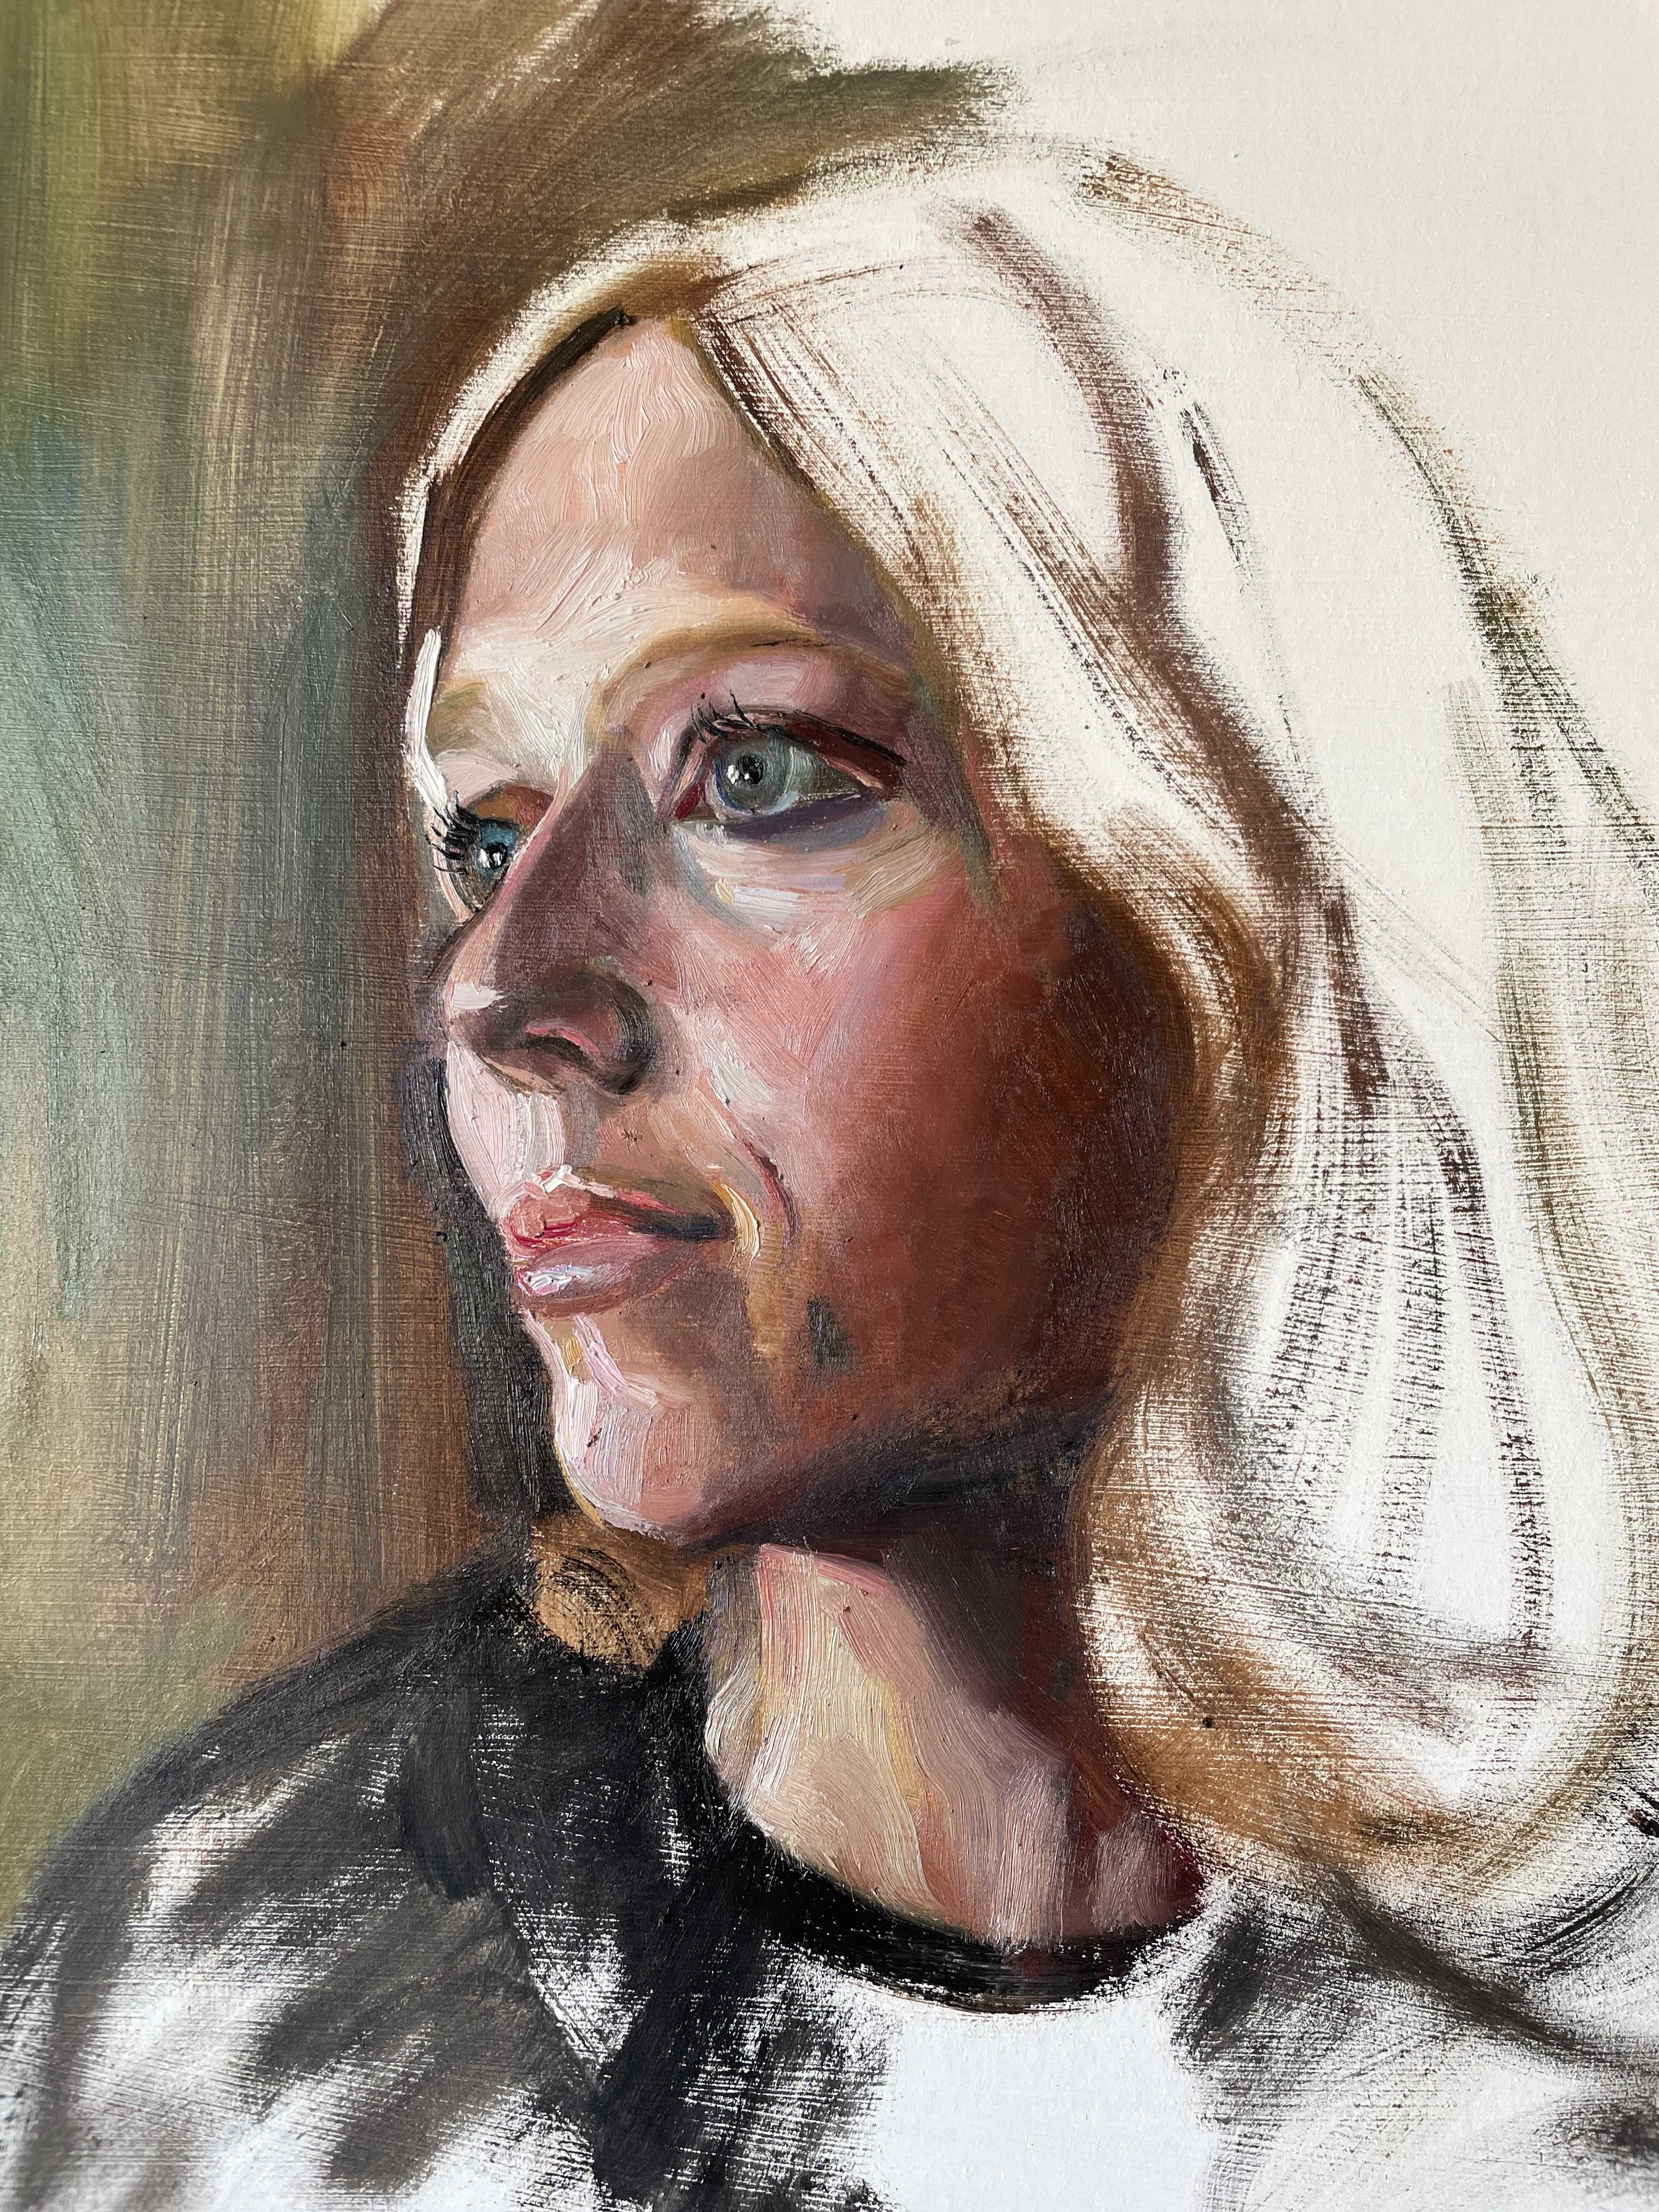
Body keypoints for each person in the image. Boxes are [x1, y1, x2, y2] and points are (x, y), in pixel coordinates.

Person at [7, 136, 1659, 2212]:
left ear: (1244, 908)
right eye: (489, 835)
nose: (502, 991)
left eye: (761, 773)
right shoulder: (236, 2007)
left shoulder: (1589, 2072)